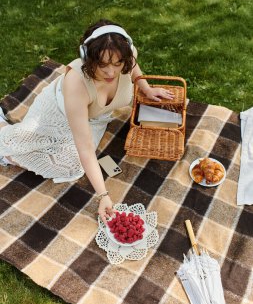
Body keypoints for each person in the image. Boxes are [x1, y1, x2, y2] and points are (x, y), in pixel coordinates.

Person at [0, 19, 174, 223]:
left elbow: (133, 67)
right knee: (68, 164)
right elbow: (85, 149)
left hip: (93, 118)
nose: (112, 73)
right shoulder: (76, 82)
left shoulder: (126, 55)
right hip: (59, 112)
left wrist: (146, 88)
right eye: (103, 65)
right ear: (87, 57)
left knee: (74, 165)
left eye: (118, 64)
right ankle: (5, 138)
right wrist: (103, 196)